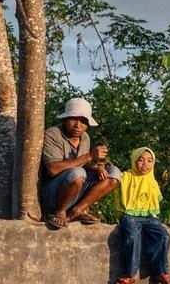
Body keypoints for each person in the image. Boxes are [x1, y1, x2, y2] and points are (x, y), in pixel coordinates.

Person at [40, 97, 120, 229]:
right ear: (65, 119)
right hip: (52, 195)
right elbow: (53, 169)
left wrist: (95, 167)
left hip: (74, 193)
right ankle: (59, 212)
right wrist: (89, 155)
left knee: (114, 173)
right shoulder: (53, 134)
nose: (78, 125)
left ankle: (77, 210)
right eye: (74, 119)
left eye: (83, 121)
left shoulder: (85, 137)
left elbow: (81, 165)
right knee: (78, 173)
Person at [106, 146, 170, 284]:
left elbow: (155, 202)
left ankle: (161, 272)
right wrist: (107, 168)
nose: (145, 165)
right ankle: (130, 274)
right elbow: (113, 181)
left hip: (150, 217)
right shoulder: (126, 177)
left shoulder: (152, 182)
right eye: (141, 160)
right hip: (130, 216)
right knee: (132, 236)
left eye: (150, 161)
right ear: (133, 161)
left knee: (164, 237)